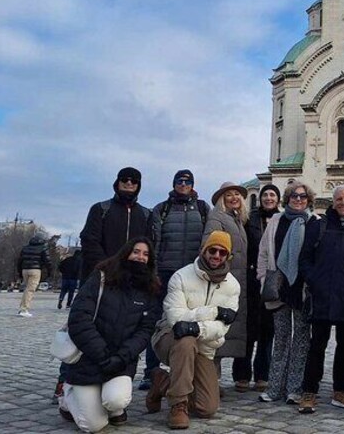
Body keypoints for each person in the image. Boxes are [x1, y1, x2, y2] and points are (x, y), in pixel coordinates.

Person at [59, 237, 159, 432]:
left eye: (146, 254)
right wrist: (102, 354)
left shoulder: (150, 289)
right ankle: (67, 396)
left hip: (120, 362)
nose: (140, 257)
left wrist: (122, 357)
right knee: (94, 425)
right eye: (136, 252)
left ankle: (113, 408)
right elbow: (79, 319)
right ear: (126, 252)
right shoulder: (101, 277)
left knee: (115, 400)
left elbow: (145, 331)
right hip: (88, 358)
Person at [147, 231, 240, 429]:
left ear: (228, 256)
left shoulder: (232, 285)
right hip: (169, 338)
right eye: (212, 250)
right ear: (203, 250)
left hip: (204, 346)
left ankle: (161, 382)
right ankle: (178, 404)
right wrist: (214, 311)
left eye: (222, 253)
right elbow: (176, 319)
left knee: (207, 408)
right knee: (186, 339)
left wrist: (196, 326)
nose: (216, 255)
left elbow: (221, 328)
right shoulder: (181, 276)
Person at [298, 185, 344, 414]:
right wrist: (314, 281)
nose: (343, 203)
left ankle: (341, 390)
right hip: (322, 294)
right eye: (339, 199)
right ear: (333, 201)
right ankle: (309, 391)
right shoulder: (319, 224)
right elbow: (305, 258)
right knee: (317, 345)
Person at [143, 169, 210, 390]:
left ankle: (186, 371)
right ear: (173, 184)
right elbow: (155, 243)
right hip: (165, 271)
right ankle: (151, 371)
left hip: (192, 275)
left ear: (192, 184)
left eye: (187, 181)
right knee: (157, 320)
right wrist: (153, 273)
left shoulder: (202, 209)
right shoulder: (162, 209)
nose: (183, 184)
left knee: (190, 321)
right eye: (179, 181)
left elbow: (205, 242)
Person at [257, 181, 318, 405]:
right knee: (281, 338)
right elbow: (264, 252)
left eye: (302, 196)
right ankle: (274, 388)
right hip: (279, 288)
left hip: (302, 290)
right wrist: (264, 279)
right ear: (287, 199)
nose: (298, 199)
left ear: (308, 199)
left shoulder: (314, 223)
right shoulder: (276, 221)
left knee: (301, 340)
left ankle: (294, 388)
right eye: (294, 196)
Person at [203, 181, 249, 391]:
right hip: (221, 280)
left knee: (223, 331)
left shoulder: (236, 219)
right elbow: (210, 248)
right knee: (215, 331)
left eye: (237, 195)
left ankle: (213, 381)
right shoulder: (217, 217)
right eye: (229, 195)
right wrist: (218, 275)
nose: (234, 198)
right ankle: (210, 382)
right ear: (222, 199)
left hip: (233, 281)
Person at [240, 184, 281, 392]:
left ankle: (262, 374)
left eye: (272, 194)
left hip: (271, 279)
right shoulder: (250, 219)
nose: (268, 198)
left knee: (268, 328)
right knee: (247, 326)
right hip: (250, 277)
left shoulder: (282, 220)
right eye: (265, 194)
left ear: (278, 199)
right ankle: (242, 375)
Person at [79, 167, 150, 284]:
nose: (129, 183)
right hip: (102, 274)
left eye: (134, 181)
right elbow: (89, 241)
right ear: (118, 182)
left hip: (133, 277)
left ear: (139, 185)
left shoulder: (146, 214)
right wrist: (107, 266)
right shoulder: (100, 209)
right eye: (124, 179)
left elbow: (148, 245)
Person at [17, 234, 51, 317]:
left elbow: (19, 261)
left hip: (25, 269)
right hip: (35, 270)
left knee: (27, 289)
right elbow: (47, 261)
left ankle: (22, 307)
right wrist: (49, 271)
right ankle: (24, 309)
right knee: (30, 290)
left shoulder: (25, 248)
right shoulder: (43, 248)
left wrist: (19, 272)